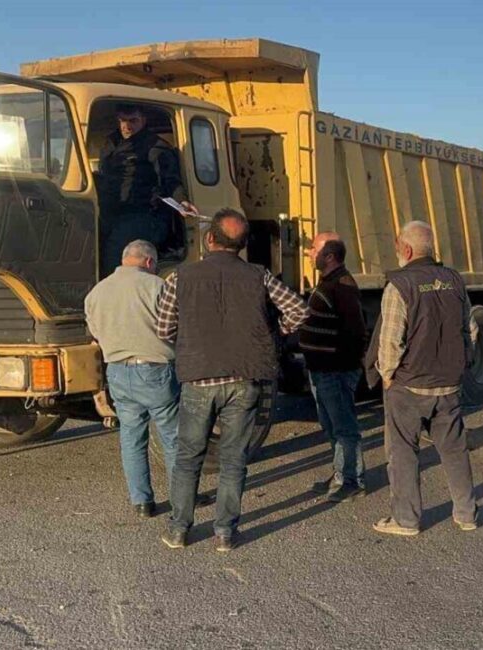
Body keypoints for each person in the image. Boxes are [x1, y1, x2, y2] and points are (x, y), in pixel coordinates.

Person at [155, 208, 308, 551]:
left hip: (199, 378)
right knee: (233, 458)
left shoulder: (180, 277)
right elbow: (299, 310)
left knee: (188, 457)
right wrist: (273, 334)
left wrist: (191, 342)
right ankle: (225, 532)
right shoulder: (259, 275)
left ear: (209, 239)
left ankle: (179, 529)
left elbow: (163, 328)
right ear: (242, 244)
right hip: (245, 378)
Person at [368, 221, 477, 536]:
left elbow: (390, 341)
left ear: (405, 249)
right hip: (449, 384)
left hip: (410, 385)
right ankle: (467, 513)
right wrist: (463, 365)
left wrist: (387, 375)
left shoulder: (399, 285)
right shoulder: (455, 281)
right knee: (455, 450)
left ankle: (407, 519)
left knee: (402, 452)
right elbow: (469, 329)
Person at [84, 240, 178, 518]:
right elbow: (175, 325)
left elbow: (95, 333)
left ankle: (141, 502)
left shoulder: (97, 292)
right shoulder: (157, 287)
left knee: (131, 436)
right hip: (155, 369)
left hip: (117, 371)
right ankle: (181, 496)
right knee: (172, 437)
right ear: (149, 262)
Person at [300, 232, 368, 501]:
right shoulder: (328, 283)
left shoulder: (343, 287)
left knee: (344, 427)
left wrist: (345, 368)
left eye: (314, 249)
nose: (309, 252)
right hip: (322, 370)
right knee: (331, 426)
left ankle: (353, 480)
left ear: (329, 256)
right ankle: (341, 472)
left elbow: (357, 331)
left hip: (334, 371)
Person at [97, 103, 195, 277]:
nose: (127, 126)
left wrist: (182, 201)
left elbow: (170, 180)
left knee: (113, 258)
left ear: (143, 120)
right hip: (109, 211)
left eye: (133, 121)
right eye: (123, 121)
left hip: (142, 214)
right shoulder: (111, 143)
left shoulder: (156, 147)